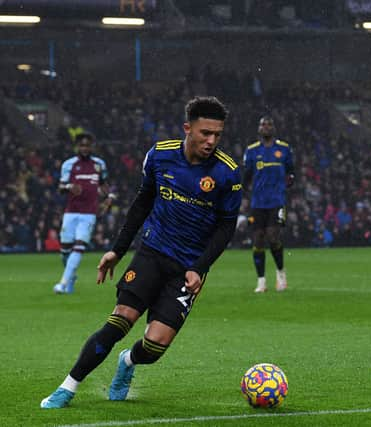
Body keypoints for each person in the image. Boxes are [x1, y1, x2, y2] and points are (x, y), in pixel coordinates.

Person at [41, 96, 242, 409]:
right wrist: (117, 250)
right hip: (152, 253)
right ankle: (67, 387)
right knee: (120, 320)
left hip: (187, 268)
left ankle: (129, 362)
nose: (211, 141)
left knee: (155, 345)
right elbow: (142, 203)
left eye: (218, 134)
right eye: (205, 133)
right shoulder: (160, 155)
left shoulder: (228, 173)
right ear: (187, 128)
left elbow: (226, 228)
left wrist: (200, 267)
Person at [53, 132, 113, 294]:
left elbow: (105, 184)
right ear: (77, 147)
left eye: (87, 145)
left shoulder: (99, 164)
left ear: (92, 147)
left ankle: (63, 283)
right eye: (82, 145)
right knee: (65, 250)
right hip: (71, 212)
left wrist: (110, 197)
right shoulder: (69, 164)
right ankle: (71, 276)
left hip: (89, 213)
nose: (85, 148)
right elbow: (60, 187)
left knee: (79, 247)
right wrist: (68, 187)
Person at [243, 116, 294, 293]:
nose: (266, 127)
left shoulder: (284, 149)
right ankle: (261, 281)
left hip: (276, 201)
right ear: (259, 129)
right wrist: (243, 196)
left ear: (274, 128)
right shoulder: (251, 151)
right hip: (258, 202)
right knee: (257, 239)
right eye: (263, 124)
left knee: (273, 236)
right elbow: (246, 176)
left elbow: (291, 171)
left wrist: (288, 181)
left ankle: (280, 273)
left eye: (269, 124)